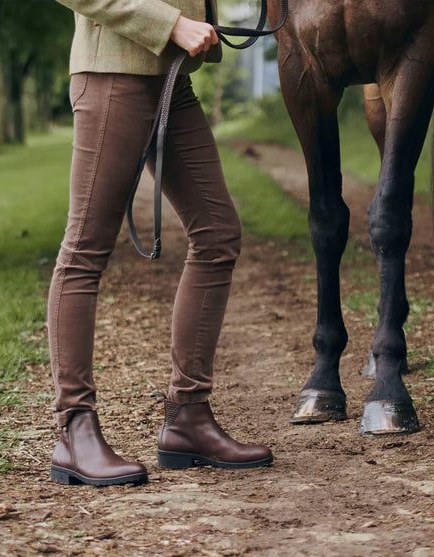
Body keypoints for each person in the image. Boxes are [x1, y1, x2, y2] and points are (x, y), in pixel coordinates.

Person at [48, 0, 273, 486]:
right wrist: (171, 24)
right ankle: (75, 429)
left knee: (216, 233)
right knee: (85, 250)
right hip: (113, 75)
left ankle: (188, 416)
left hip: (170, 77)